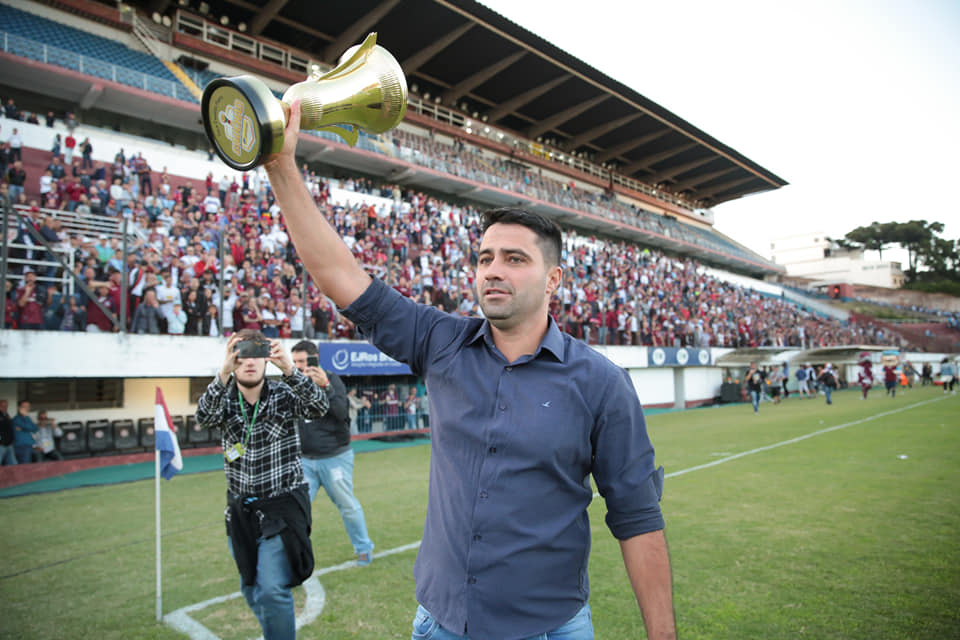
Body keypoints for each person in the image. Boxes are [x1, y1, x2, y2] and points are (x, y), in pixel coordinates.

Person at [262, 101, 675, 640]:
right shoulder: (441, 342)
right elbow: (338, 274)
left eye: (514, 259)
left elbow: (637, 517)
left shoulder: (600, 383)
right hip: (440, 623)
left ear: (553, 280)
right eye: (484, 258)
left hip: (549, 628)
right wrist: (280, 167)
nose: (493, 271)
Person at [194, 330, 329, 640]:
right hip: (241, 510)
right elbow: (203, 417)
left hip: (281, 508)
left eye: (257, 352)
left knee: (270, 588)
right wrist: (223, 373)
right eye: (240, 353)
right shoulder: (224, 398)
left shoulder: (283, 394)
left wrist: (290, 370)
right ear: (232, 358)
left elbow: (319, 407)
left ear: (267, 357)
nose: (249, 360)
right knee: (251, 587)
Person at [291, 340, 375, 567]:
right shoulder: (293, 384)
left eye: (302, 361)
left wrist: (326, 385)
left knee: (347, 506)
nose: (298, 366)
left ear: (314, 358)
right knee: (296, 510)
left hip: (334, 457)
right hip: (305, 461)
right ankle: (295, 558)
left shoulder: (332, 380)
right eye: (295, 361)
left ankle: (364, 548)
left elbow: (341, 413)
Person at [0, 399, 17, 466]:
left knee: (13, 464)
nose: (5, 407)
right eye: (3, 406)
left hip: (9, 444)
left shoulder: (6, 415)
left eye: (6, 406)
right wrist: (1, 441)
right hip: (1, 445)